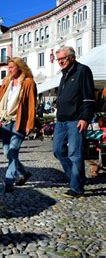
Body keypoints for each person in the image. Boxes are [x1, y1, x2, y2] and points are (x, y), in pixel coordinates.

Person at [53, 46, 95, 198]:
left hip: (76, 120)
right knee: (57, 150)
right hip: (61, 121)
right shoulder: (64, 74)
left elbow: (89, 97)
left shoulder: (82, 70)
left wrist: (85, 118)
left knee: (75, 154)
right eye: (58, 59)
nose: (60, 62)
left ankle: (76, 188)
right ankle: (76, 179)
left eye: (62, 58)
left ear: (71, 57)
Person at [0, 57, 37, 193]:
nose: (9, 70)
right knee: (7, 152)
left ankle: (9, 181)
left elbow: (32, 104)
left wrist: (29, 124)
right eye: (8, 67)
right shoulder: (7, 81)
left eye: (12, 67)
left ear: (19, 67)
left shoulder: (28, 82)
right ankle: (24, 174)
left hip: (19, 121)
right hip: (6, 121)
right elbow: (1, 100)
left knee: (13, 151)